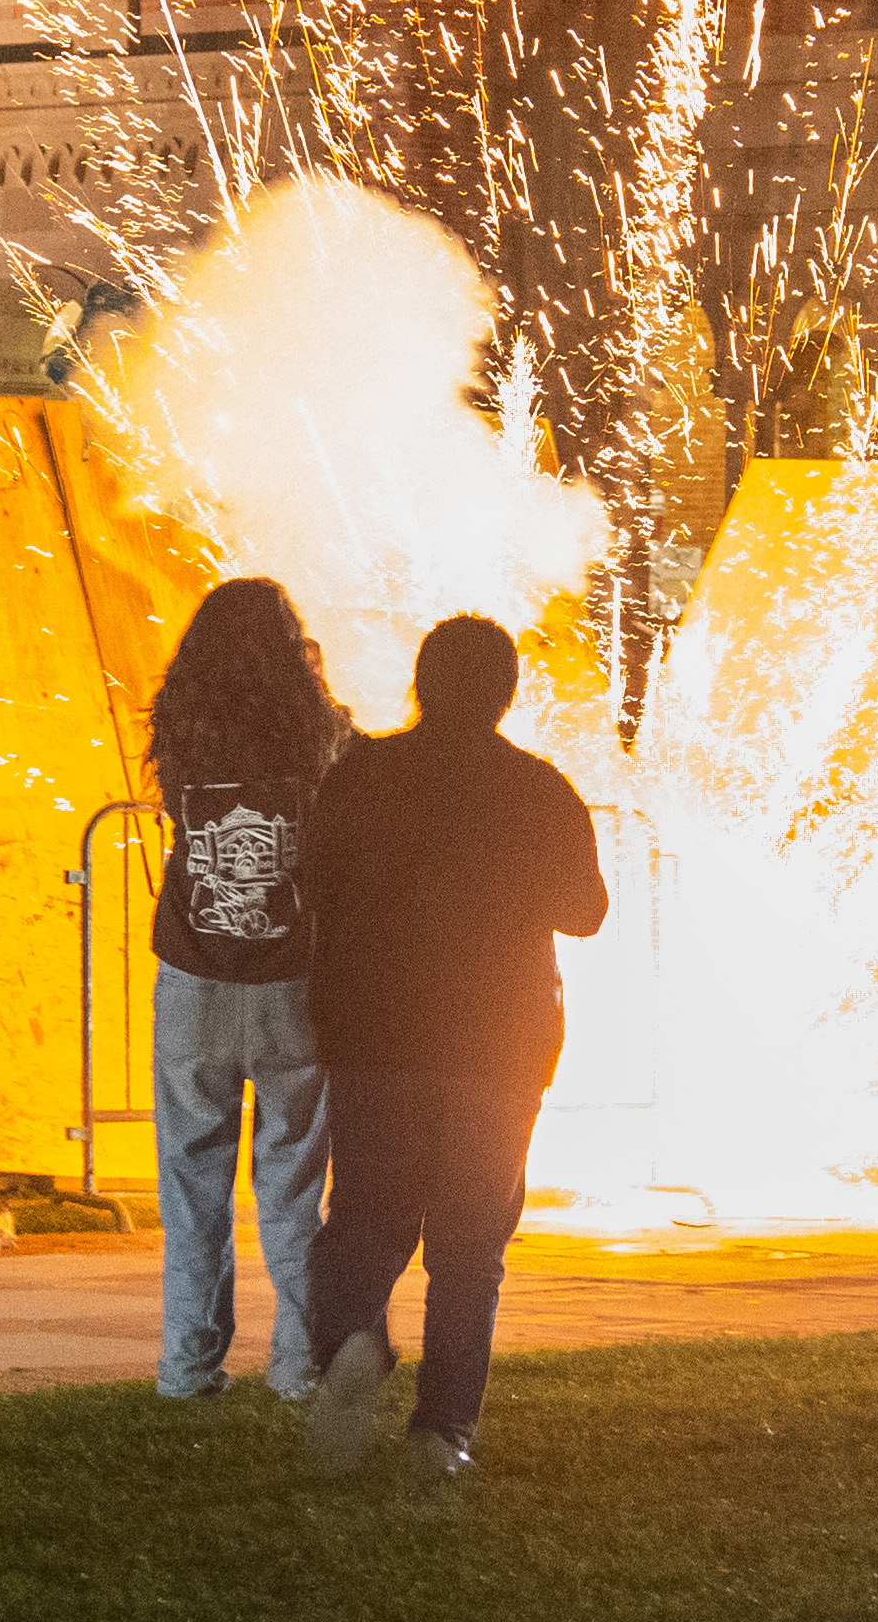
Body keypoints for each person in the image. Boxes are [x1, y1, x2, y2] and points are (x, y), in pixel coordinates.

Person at [294, 614, 610, 1479]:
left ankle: (352, 1343)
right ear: (508, 693)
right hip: (499, 1048)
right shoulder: (539, 788)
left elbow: (309, 880)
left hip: (377, 1037)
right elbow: (587, 912)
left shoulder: (363, 775)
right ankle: (441, 1436)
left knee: (362, 1219)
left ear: (419, 684)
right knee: (471, 1248)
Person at [142, 581, 347, 1402]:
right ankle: (300, 1366)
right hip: (292, 981)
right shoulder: (319, 734)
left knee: (191, 1182)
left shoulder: (180, 733)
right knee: (295, 1183)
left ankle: (187, 1367)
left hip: (194, 977)